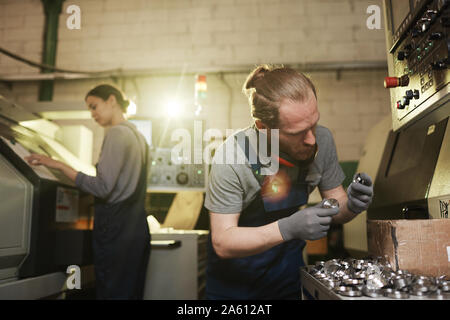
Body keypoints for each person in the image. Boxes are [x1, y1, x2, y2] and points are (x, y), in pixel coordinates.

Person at [204, 65, 374, 300]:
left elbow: (337, 206)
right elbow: (223, 242)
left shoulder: (321, 140)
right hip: (234, 288)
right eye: (297, 133)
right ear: (264, 128)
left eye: (314, 124)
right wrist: (287, 228)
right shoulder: (231, 158)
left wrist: (352, 205)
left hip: (286, 280)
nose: (311, 139)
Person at [25, 84, 151, 300]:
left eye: (94, 106)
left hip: (117, 232)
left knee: (113, 293)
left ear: (111, 100)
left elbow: (103, 187)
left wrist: (59, 166)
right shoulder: (138, 136)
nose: (92, 114)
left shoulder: (117, 134)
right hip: (137, 230)